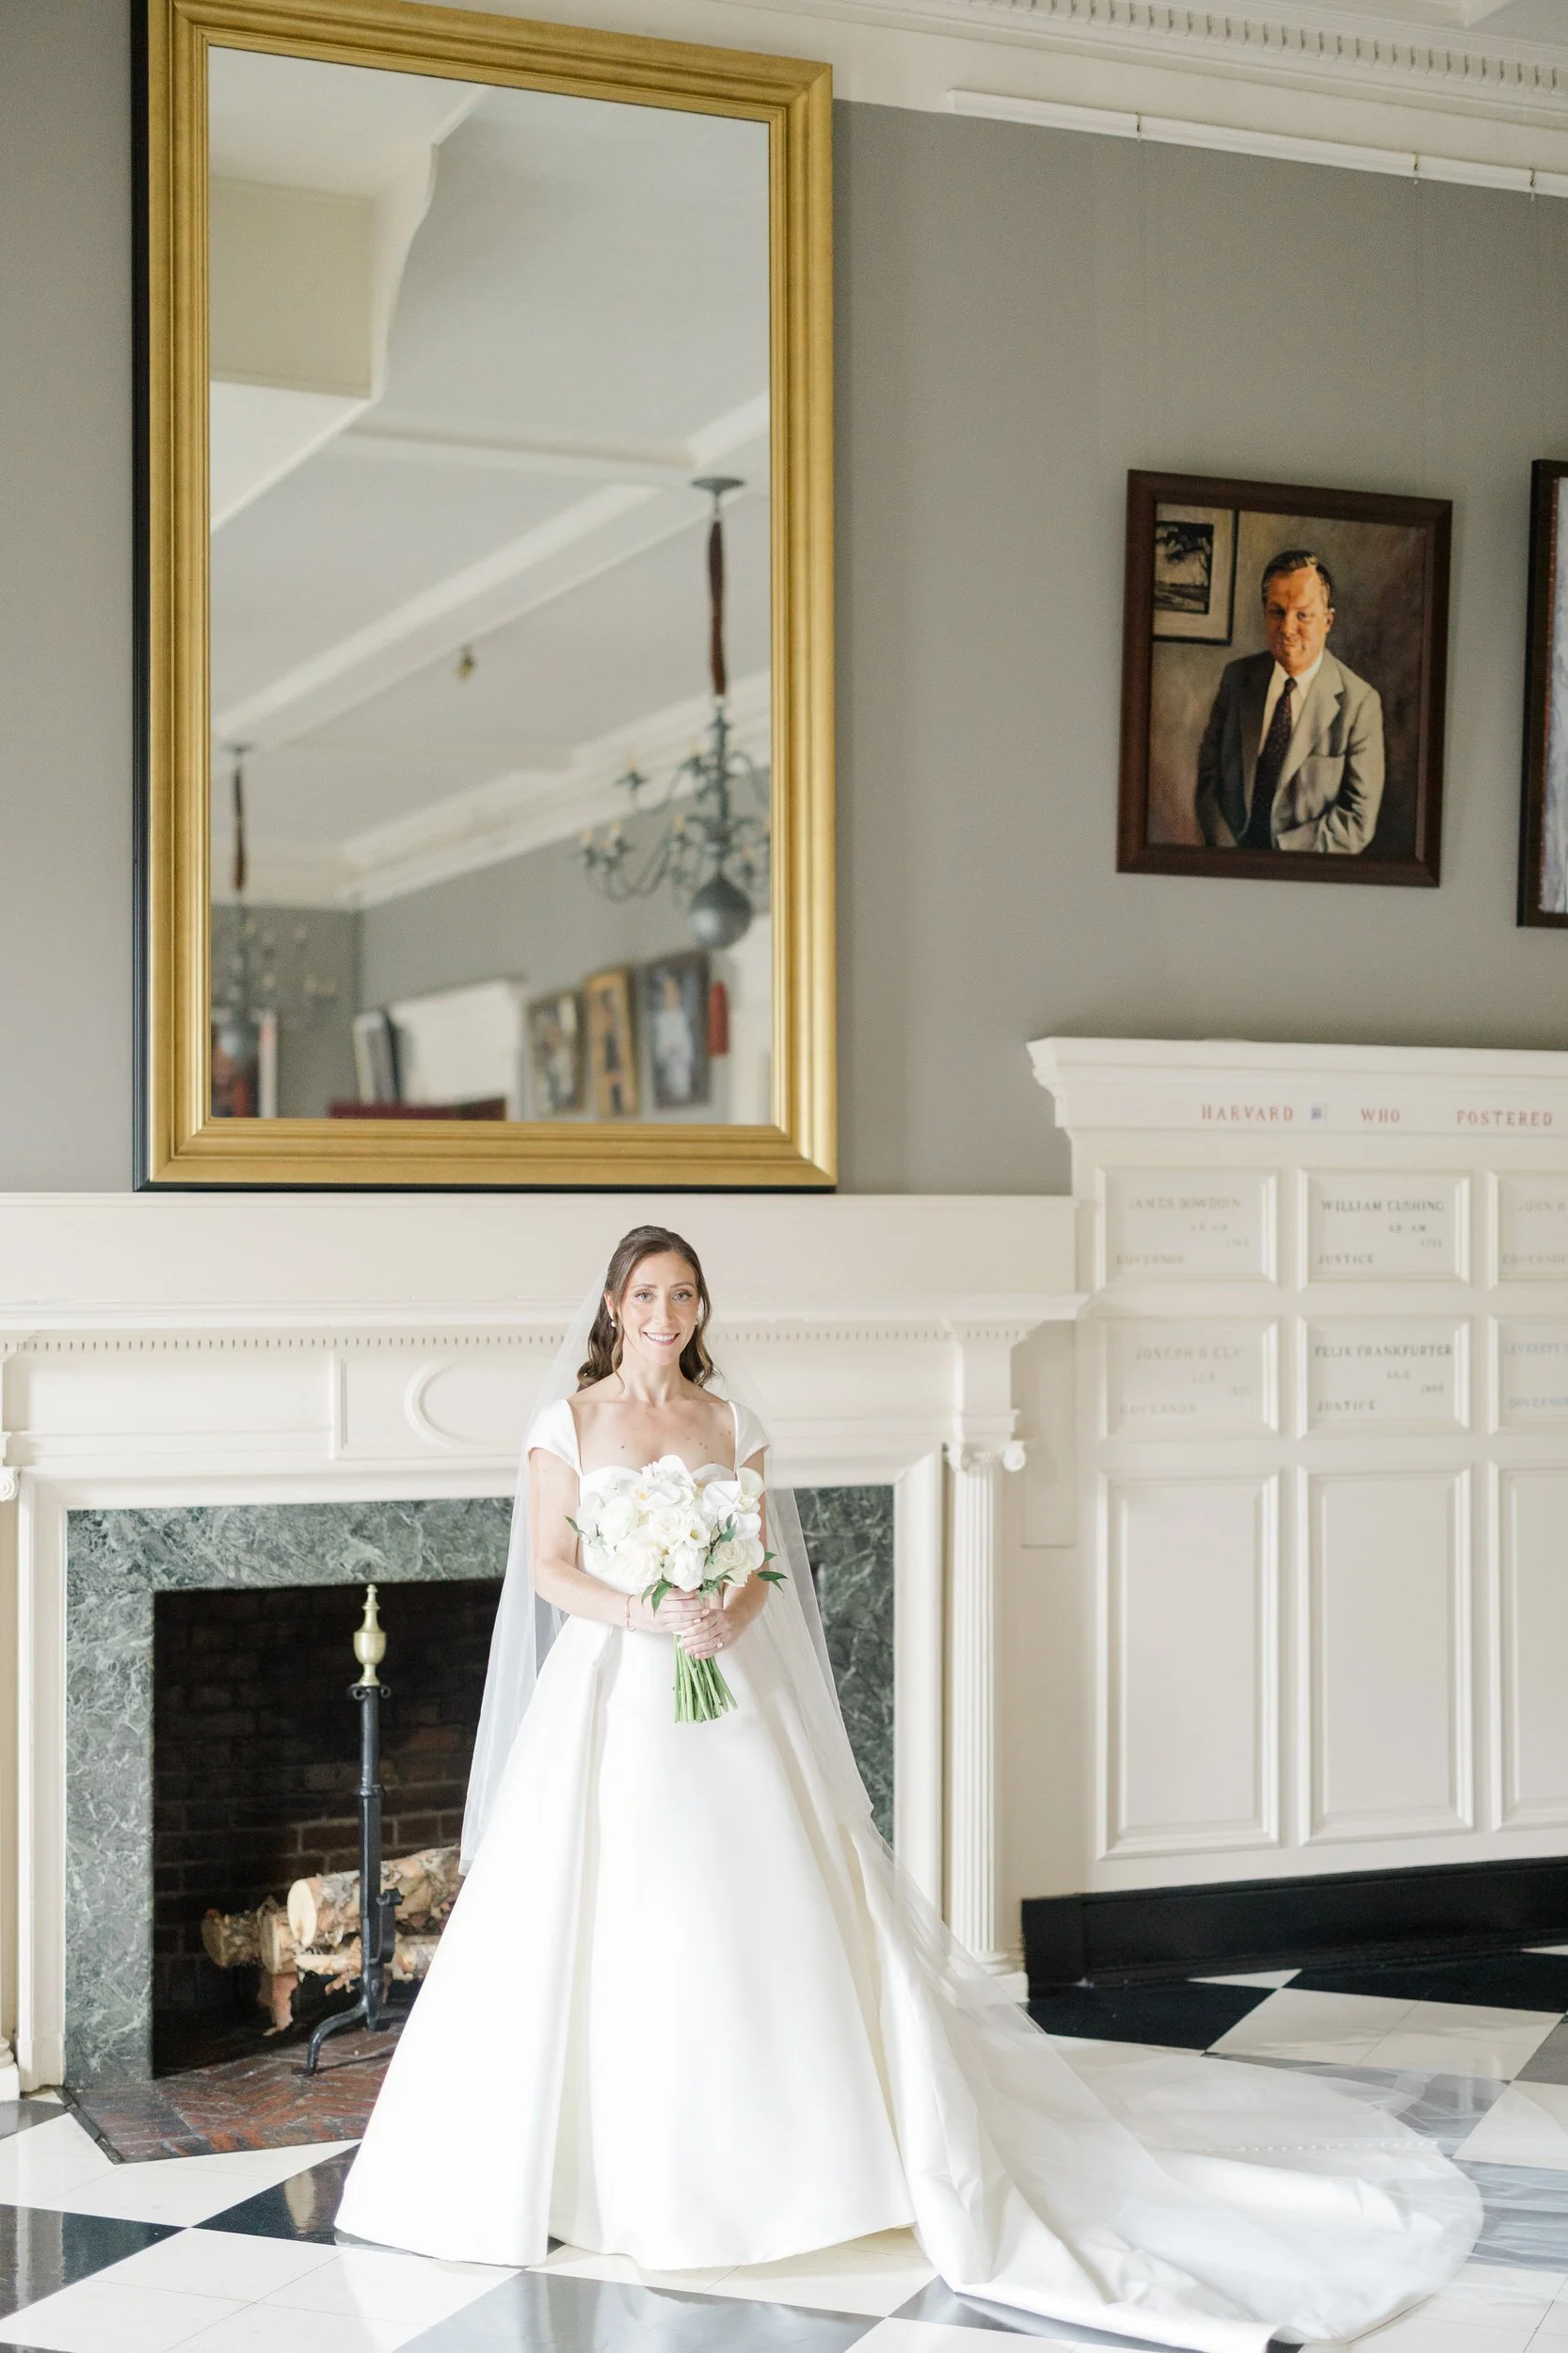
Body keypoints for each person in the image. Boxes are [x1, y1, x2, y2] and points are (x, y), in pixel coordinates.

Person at [335, 1223, 1478, 2348]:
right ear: (612, 1307)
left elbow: (766, 1562)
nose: (666, 1315)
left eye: (683, 1295)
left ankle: (816, 2164)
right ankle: (593, 2171)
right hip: (615, 1697)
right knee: (626, 1912)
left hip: (725, 1686)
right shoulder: (569, 1422)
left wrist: (721, 1612)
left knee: (752, 1909)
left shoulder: (731, 1418)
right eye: (646, 1296)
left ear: (700, 1308)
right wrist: (649, 1612)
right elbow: (547, 1566)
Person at [1195, 550, 1385, 855]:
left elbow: (1358, 820)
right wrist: (1228, 859)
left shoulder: (1360, 704)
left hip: (1306, 878)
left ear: (1328, 621)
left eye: (1303, 615)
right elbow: (1208, 783)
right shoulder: (1236, 680)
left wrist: (1279, 858)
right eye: (1277, 612)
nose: (1286, 628)